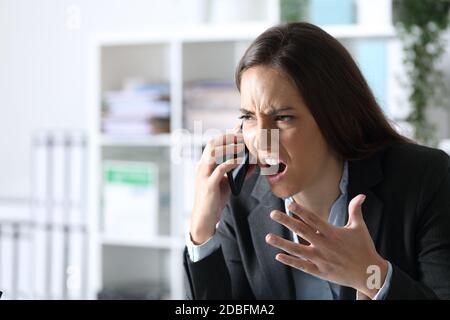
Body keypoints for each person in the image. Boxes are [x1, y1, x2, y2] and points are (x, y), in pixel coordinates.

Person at [183, 22, 450, 300]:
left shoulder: (425, 177)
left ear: (335, 118)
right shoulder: (241, 197)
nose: (261, 141)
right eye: (248, 117)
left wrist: (371, 275)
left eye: (283, 117)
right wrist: (201, 230)